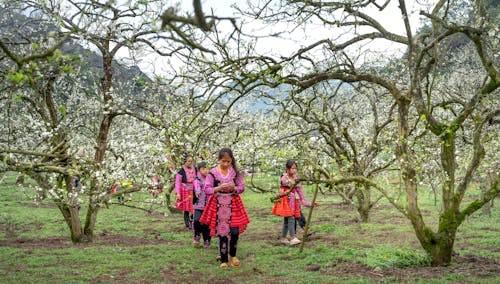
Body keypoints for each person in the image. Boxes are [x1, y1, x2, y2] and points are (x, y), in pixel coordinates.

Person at [200, 148, 250, 268]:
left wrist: (234, 188)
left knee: (234, 232)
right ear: (219, 160)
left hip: (233, 204)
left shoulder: (235, 172)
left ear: (231, 160)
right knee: (222, 232)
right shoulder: (212, 173)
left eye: (228, 161)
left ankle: (233, 255)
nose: (226, 164)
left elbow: (241, 187)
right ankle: (223, 259)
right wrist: (219, 187)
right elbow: (207, 189)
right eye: (223, 161)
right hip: (218, 205)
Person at [272, 160, 316, 245]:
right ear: (287, 169)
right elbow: (285, 182)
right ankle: (293, 238)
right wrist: (293, 182)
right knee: (291, 219)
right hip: (286, 203)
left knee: (287, 220)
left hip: (294, 202)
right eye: (292, 168)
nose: (294, 170)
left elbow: (300, 192)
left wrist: (308, 203)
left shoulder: (296, 179)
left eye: (295, 168)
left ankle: (283, 238)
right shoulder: (284, 178)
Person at [174, 154, 196, 230]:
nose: (190, 162)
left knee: (195, 206)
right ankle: (187, 225)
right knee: (186, 209)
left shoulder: (195, 169)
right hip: (186, 192)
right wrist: (178, 193)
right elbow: (177, 183)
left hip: (195, 191)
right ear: (185, 162)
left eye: (191, 161)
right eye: (189, 161)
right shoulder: (181, 171)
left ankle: (192, 221)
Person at [192, 161, 211, 247]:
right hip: (198, 204)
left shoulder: (211, 179)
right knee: (196, 220)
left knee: (207, 224)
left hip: (208, 206)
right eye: (203, 169)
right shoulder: (197, 179)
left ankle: (207, 240)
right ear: (199, 170)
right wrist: (197, 190)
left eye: (207, 168)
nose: (205, 170)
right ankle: (197, 235)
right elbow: (196, 185)